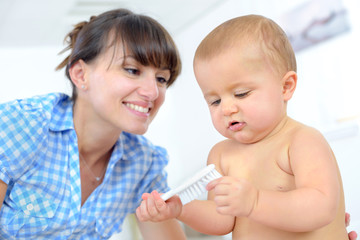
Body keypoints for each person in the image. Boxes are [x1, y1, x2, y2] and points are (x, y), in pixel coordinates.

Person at [136, 14, 358, 240]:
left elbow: (322, 208)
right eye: (215, 101)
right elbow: (221, 219)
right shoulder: (222, 155)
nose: (226, 109)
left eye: (241, 94)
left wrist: (255, 202)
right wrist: (181, 209)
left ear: (286, 87)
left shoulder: (302, 141)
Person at [0, 8, 186, 239]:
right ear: (80, 75)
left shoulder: (144, 163)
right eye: (132, 70)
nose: (152, 92)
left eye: (161, 79)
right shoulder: (18, 126)